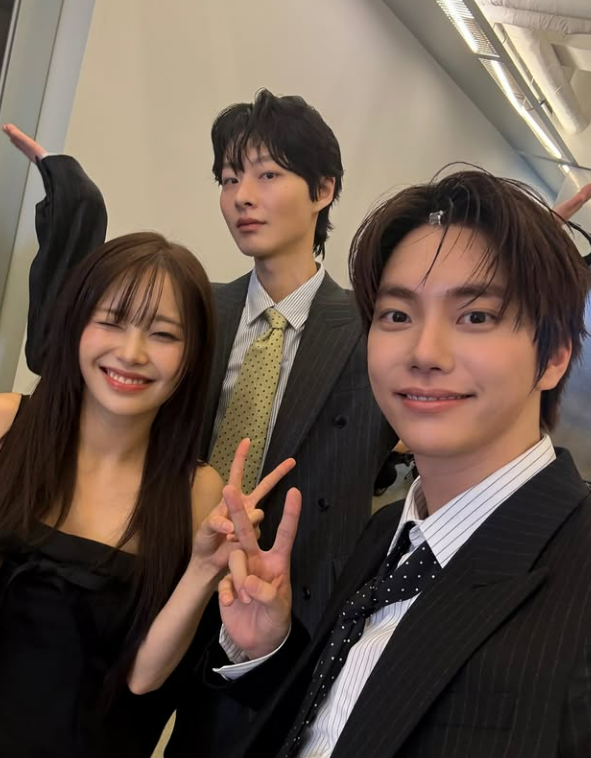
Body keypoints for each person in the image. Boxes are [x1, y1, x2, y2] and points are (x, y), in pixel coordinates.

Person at [4, 91, 398, 756]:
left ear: (323, 189)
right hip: (145, 591)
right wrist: (71, 212)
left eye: (267, 174)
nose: (243, 196)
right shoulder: (191, 314)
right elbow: (82, 364)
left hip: (271, 623)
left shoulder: (370, 332)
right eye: (228, 178)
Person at [195, 167, 591, 758]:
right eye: (397, 316)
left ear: (554, 355)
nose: (424, 353)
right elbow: (351, 717)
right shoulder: (389, 534)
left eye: (476, 316)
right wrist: (268, 648)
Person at [0, 231, 293, 758]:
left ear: (192, 357)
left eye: (162, 334)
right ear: (76, 325)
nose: (131, 353)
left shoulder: (197, 491)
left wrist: (204, 569)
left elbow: (142, 677)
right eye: (111, 321)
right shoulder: (5, 426)